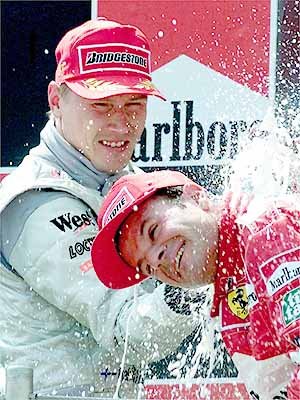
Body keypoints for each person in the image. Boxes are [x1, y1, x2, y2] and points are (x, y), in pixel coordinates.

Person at [0, 18, 210, 397]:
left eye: (134, 103)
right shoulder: (33, 202)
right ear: (55, 100)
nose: (120, 123)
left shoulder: (124, 179)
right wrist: (195, 269)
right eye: (101, 105)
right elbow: (127, 328)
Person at [91, 169, 300, 400]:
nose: (156, 260)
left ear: (194, 197)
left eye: (153, 231)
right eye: (147, 268)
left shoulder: (265, 231)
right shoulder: (228, 278)